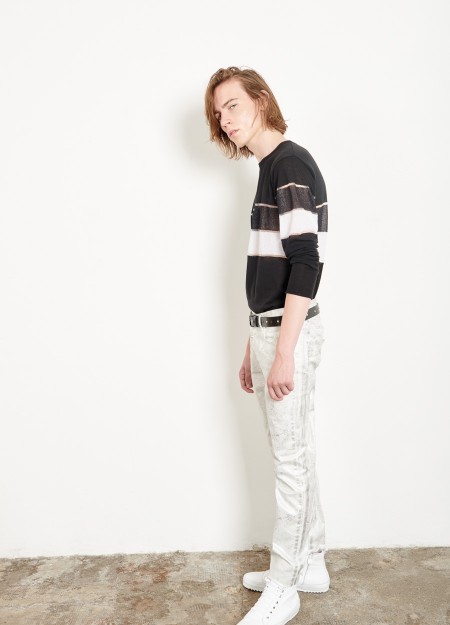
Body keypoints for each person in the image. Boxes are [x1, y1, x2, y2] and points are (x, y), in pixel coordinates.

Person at [204, 66, 330, 625]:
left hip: (287, 333)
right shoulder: (268, 168)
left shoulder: (289, 164)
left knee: (290, 462)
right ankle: (311, 561)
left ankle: (285, 584)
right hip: (270, 329)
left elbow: (306, 263)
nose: (225, 119)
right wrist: (253, 341)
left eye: (232, 105)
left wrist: (282, 351)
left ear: (260, 99)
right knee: (294, 450)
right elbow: (270, 269)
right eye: (218, 113)